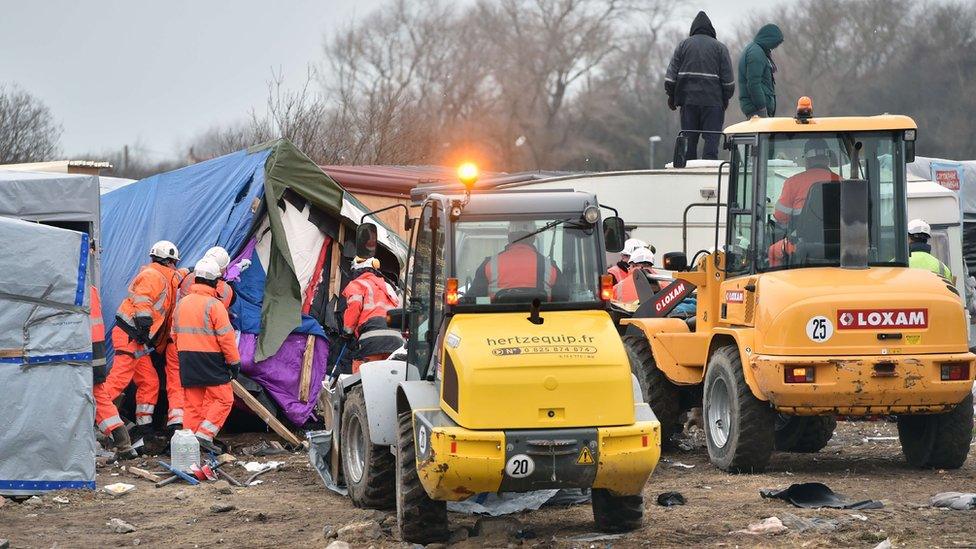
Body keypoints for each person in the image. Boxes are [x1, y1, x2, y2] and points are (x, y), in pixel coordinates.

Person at [93, 240, 180, 458]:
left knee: (150, 382)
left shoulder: (163, 276)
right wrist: (143, 323)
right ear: (170, 261)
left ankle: (144, 427)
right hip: (131, 335)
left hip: (138, 338)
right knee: (118, 381)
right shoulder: (153, 275)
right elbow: (143, 301)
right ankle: (94, 415)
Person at [172, 258, 241, 452]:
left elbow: (174, 333)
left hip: (187, 358)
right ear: (214, 281)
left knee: (192, 404)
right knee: (224, 399)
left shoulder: (182, 303)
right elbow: (226, 338)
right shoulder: (214, 305)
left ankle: (189, 445)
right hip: (210, 359)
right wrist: (234, 362)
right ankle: (204, 435)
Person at [665, 11, 735, 161]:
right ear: (711, 30)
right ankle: (708, 175)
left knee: (689, 142)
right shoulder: (720, 48)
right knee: (712, 141)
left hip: (688, 102)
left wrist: (672, 97)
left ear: (693, 29)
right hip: (713, 103)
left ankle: (689, 173)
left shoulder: (683, 45)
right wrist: (725, 98)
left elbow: (670, 78)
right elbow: (728, 82)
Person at [768, 139, 841, 266]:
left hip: (801, 246)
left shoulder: (793, 182)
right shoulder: (841, 182)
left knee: (772, 251)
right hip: (839, 246)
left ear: (807, 160)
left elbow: (780, 216)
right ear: (827, 159)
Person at [469, 221, 562, 301]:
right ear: (533, 238)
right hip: (541, 320)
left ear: (509, 237)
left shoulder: (489, 264)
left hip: (497, 320)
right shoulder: (550, 266)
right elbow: (562, 300)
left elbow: (475, 299)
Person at [341, 256, 403, 373]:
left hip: (371, 338)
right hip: (396, 341)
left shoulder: (357, 284)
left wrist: (346, 333)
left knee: (362, 380)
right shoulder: (388, 287)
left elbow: (354, 308)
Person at [738, 23, 784, 118]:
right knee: (762, 133)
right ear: (769, 39)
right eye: (775, 43)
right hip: (757, 110)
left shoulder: (757, 50)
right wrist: (762, 107)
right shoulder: (756, 53)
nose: (775, 47)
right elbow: (753, 83)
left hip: (757, 109)